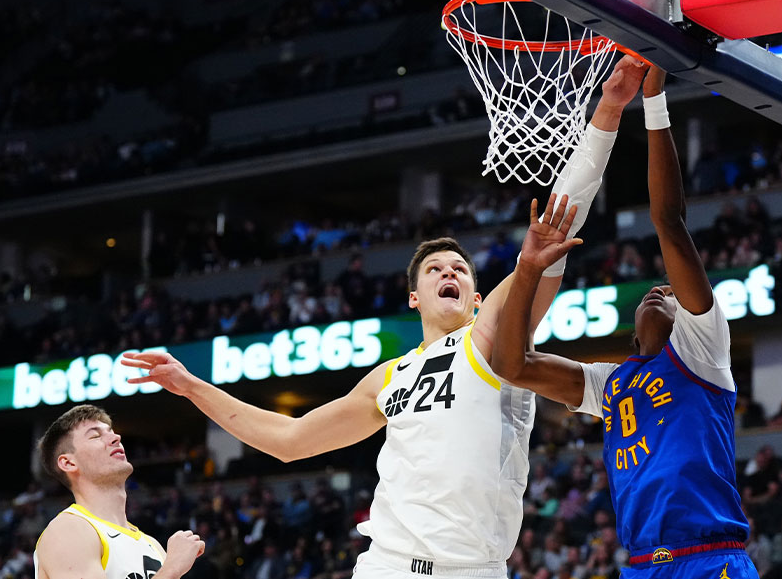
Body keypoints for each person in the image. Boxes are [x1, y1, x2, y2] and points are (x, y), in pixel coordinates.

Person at [123, 57, 650, 578]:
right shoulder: (389, 376)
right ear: (415, 298)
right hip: (387, 566)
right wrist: (192, 387)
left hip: (474, 569)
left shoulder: (490, 336)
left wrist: (608, 109)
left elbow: (560, 221)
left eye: (460, 269)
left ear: (476, 294)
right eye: (435, 269)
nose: (450, 272)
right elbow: (289, 441)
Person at [489, 65, 758, 577]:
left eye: (673, 295)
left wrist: (654, 101)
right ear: (634, 332)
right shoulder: (611, 383)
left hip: (709, 558)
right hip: (639, 566)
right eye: (654, 292)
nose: (663, 291)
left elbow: (669, 223)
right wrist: (528, 269)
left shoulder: (702, 350)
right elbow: (513, 366)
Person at [33, 404, 204, 579]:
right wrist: (172, 569)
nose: (116, 437)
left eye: (111, 431)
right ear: (68, 463)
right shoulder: (68, 530)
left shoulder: (152, 545)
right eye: (95, 436)